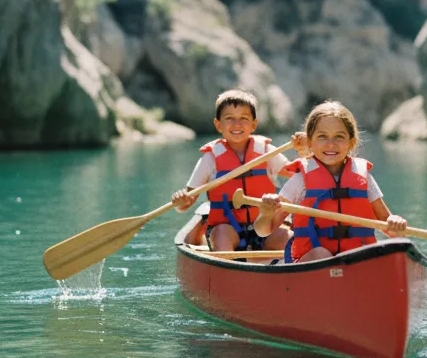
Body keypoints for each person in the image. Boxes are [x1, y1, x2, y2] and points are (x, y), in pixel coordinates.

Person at [253, 99, 408, 264]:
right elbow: (263, 230)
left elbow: (388, 224)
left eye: (339, 137)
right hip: (313, 262)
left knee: (377, 254)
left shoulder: (363, 177)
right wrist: (267, 213)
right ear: (310, 143)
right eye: (322, 137)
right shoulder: (300, 181)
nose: (330, 144)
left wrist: (395, 224)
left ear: (351, 142)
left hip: (356, 260)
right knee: (321, 254)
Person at [171, 89, 301, 254]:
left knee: (289, 239)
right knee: (222, 237)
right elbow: (187, 202)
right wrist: (181, 201)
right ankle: (226, 265)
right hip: (226, 227)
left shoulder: (267, 151)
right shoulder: (210, 159)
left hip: (264, 224)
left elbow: (298, 175)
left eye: (243, 118)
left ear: (254, 124)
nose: (237, 124)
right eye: (229, 118)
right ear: (218, 125)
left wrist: (302, 151)